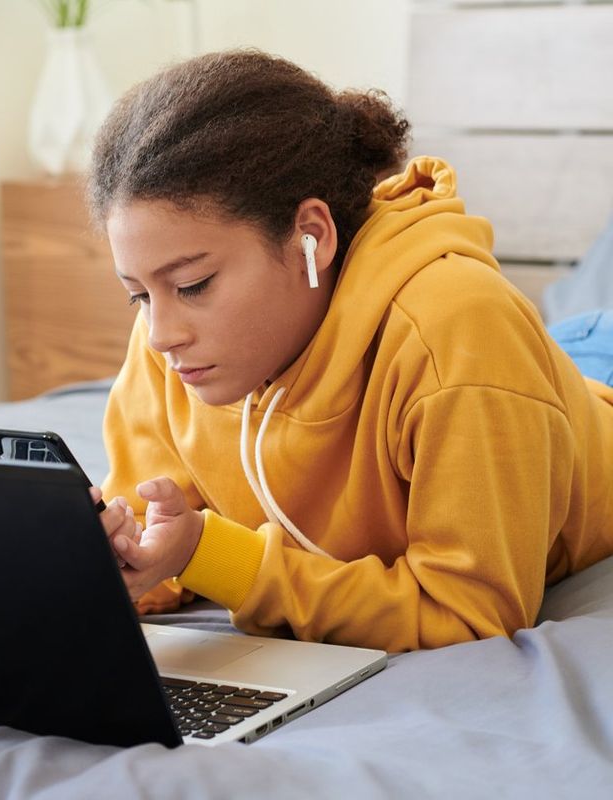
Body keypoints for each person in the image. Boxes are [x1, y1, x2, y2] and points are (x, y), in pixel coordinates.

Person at [85, 49, 613, 652]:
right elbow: (160, 535)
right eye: (138, 296)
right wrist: (122, 562)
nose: (161, 334)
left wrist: (217, 556)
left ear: (311, 234)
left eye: (194, 285)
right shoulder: (172, 339)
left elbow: (470, 613)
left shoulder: (460, 335)